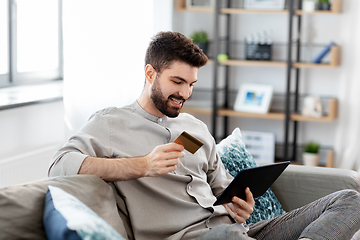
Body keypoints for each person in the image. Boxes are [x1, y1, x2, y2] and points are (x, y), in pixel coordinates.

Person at [49, 31, 360, 240]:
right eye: (177, 81)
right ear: (150, 74)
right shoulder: (112, 123)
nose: (185, 93)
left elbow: (222, 188)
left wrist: (239, 207)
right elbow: (60, 166)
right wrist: (142, 165)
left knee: (350, 200)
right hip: (191, 237)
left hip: (238, 231)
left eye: (192, 84)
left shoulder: (195, 127)